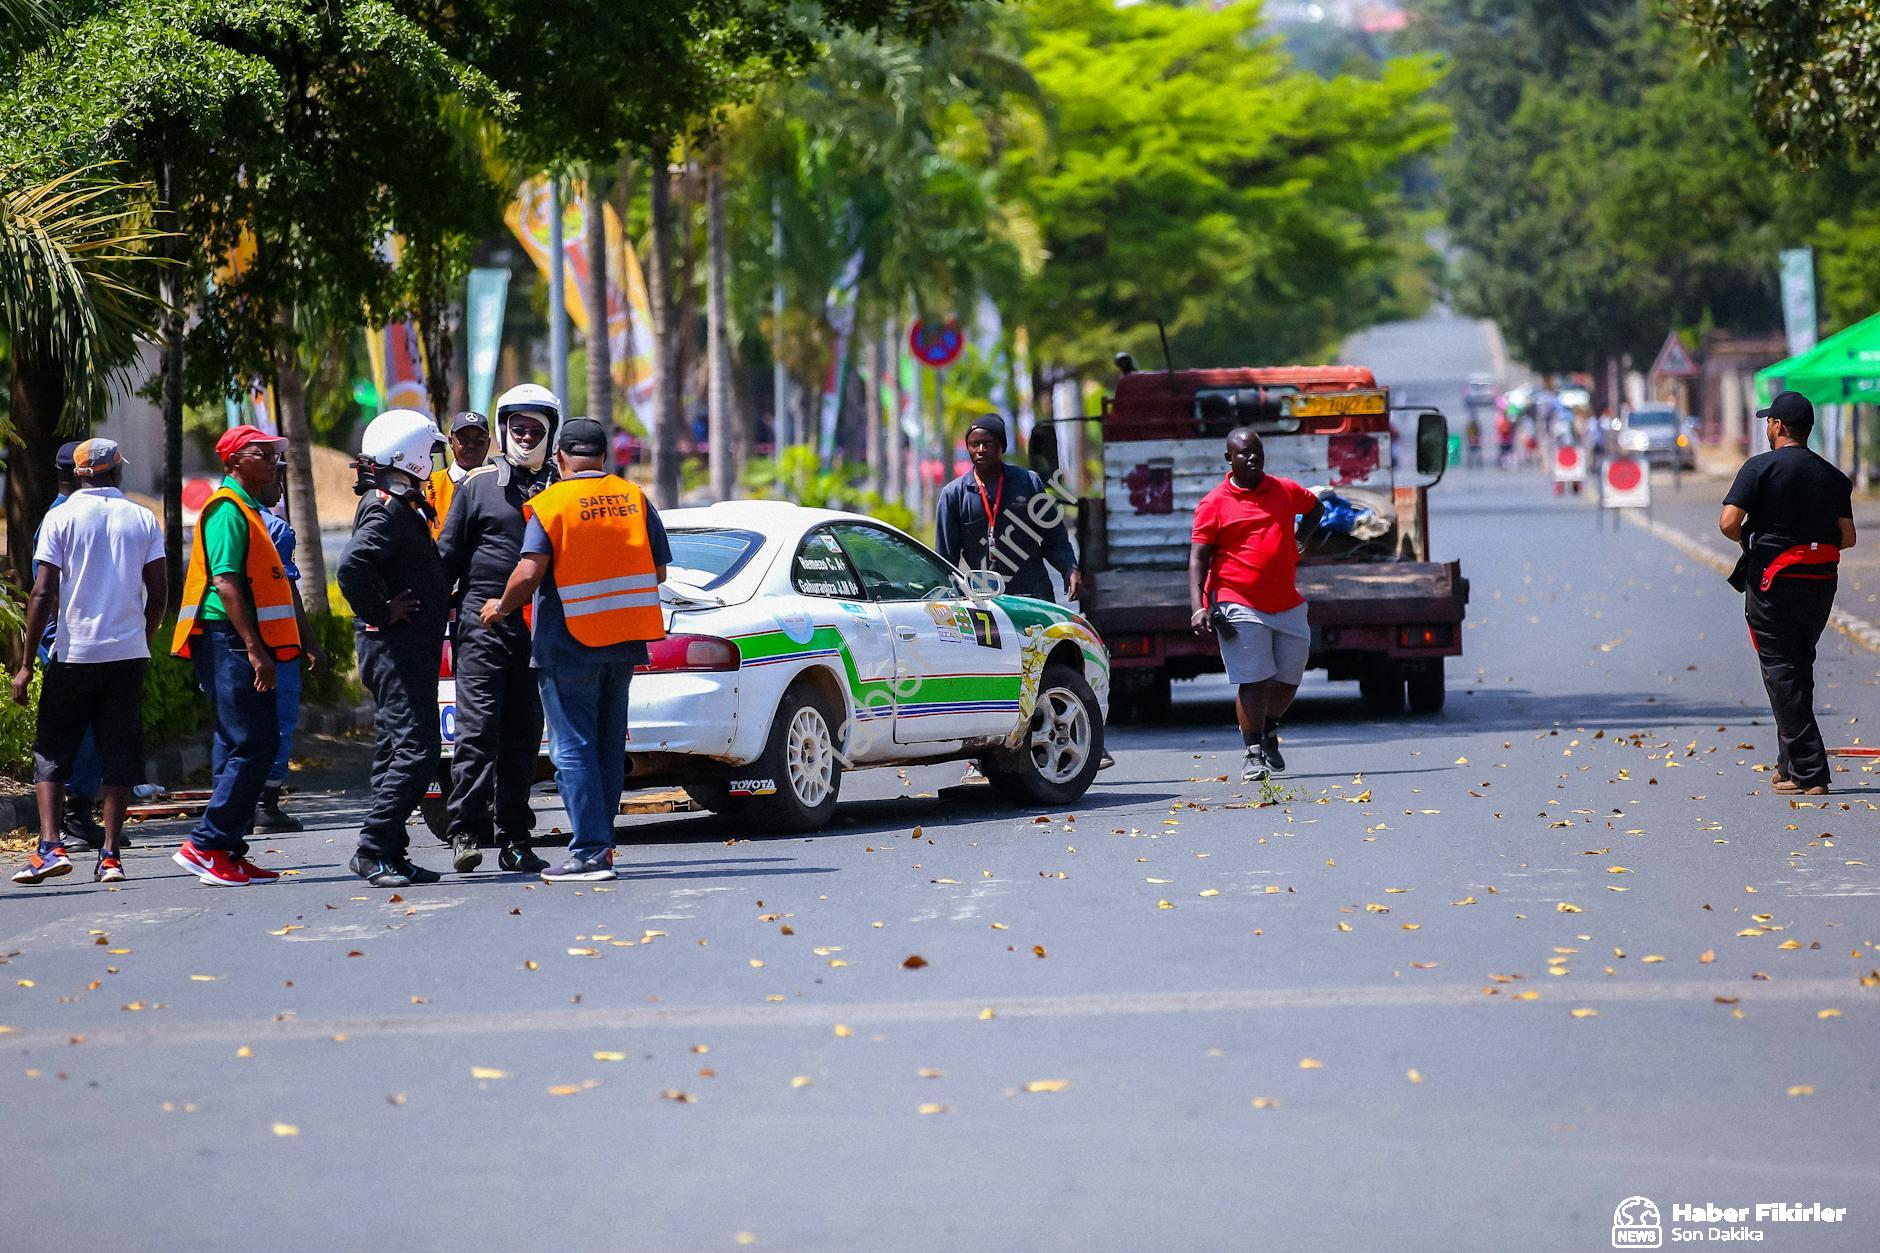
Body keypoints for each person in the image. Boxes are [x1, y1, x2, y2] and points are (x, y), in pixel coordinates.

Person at [480, 417, 670, 882]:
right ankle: (601, 844)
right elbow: (659, 572)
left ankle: (588, 851)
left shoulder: (552, 503)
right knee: (607, 747)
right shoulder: (633, 498)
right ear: (604, 455)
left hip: (569, 645)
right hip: (624, 640)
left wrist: (500, 608)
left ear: (560, 457)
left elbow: (528, 573)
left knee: (572, 750)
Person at [11, 440, 166, 886]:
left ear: (80, 475)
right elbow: (157, 592)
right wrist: (143, 637)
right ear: (115, 471)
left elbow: (42, 594)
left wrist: (26, 662)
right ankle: (111, 856)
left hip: (75, 653)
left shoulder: (59, 518)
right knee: (118, 755)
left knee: (52, 750)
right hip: (126, 655)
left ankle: (49, 846)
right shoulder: (141, 517)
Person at [435, 385, 562, 875]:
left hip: (540, 626)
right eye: (518, 428)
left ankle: (514, 837)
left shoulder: (561, 489)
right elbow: (446, 559)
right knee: (477, 728)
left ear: (550, 435)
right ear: (504, 430)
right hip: (482, 621)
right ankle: (465, 829)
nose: (526, 437)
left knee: (524, 734)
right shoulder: (477, 487)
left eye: (535, 429)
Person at [170, 425, 299, 886]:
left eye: (273, 454)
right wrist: (253, 648)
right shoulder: (227, 510)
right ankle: (205, 843)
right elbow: (225, 583)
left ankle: (227, 848)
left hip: (242, 641)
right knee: (250, 742)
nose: (271, 461)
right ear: (234, 462)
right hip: (229, 639)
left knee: (259, 742)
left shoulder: (250, 509)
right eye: (261, 454)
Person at [1720, 391, 1858, 796]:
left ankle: (1812, 772)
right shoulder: (1834, 477)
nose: (1767, 427)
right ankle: (1790, 765)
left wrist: (1754, 539)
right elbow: (1847, 538)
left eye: (1768, 421)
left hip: (1772, 584)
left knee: (1781, 671)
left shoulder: (1759, 469)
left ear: (1778, 426)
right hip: (1820, 586)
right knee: (1798, 668)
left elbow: (1728, 522)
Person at [337, 410, 452, 887]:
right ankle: (373, 849)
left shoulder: (399, 500)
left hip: (406, 649)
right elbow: (351, 567)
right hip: (395, 649)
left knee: (393, 748)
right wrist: (383, 612)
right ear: (412, 455)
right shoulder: (387, 507)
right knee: (416, 750)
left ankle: (393, 852)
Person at [1189, 427, 1323, 785]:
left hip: (1287, 602)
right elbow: (1197, 559)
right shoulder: (1213, 503)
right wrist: (1198, 607)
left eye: (1257, 451)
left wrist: (1299, 539)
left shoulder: (1284, 489)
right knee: (1254, 679)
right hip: (1237, 600)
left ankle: (1268, 726)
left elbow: (1316, 508)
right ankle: (1253, 754)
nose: (1252, 457)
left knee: (1290, 678)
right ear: (1228, 459)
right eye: (1244, 452)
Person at [35, 442, 108, 853]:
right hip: (67, 645)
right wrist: (52, 645)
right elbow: (45, 595)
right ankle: (72, 819)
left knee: (89, 734)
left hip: (84, 643)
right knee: (72, 736)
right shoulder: (58, 519)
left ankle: (80, 813)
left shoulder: (79, 515)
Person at [935, 414, 1081, 602]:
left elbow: (1053, 537)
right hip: (984, 599)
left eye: (987, 444)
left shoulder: (1028, 482)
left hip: (1033, 595)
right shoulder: (953, 494)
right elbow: (946, 557)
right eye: (974, 444)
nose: (980, 450)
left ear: (1001, 446)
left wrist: (1069, 567)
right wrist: (947, 597)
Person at [254, 490, 320, 834]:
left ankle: (243, 803)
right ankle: (266, 804)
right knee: (279, 721)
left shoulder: (216, 517)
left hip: (231, 645)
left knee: (240, 726)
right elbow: (288, 591)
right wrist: (311, 643)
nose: (277, 481)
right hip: (277, 643)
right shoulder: (277, 530)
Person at [424, 411, 491, 540]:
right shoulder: (430, 484)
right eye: (464, 440)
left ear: (488, 443)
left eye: (480, 441)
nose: (471, 445)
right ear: (450, 441)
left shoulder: (498, 485)